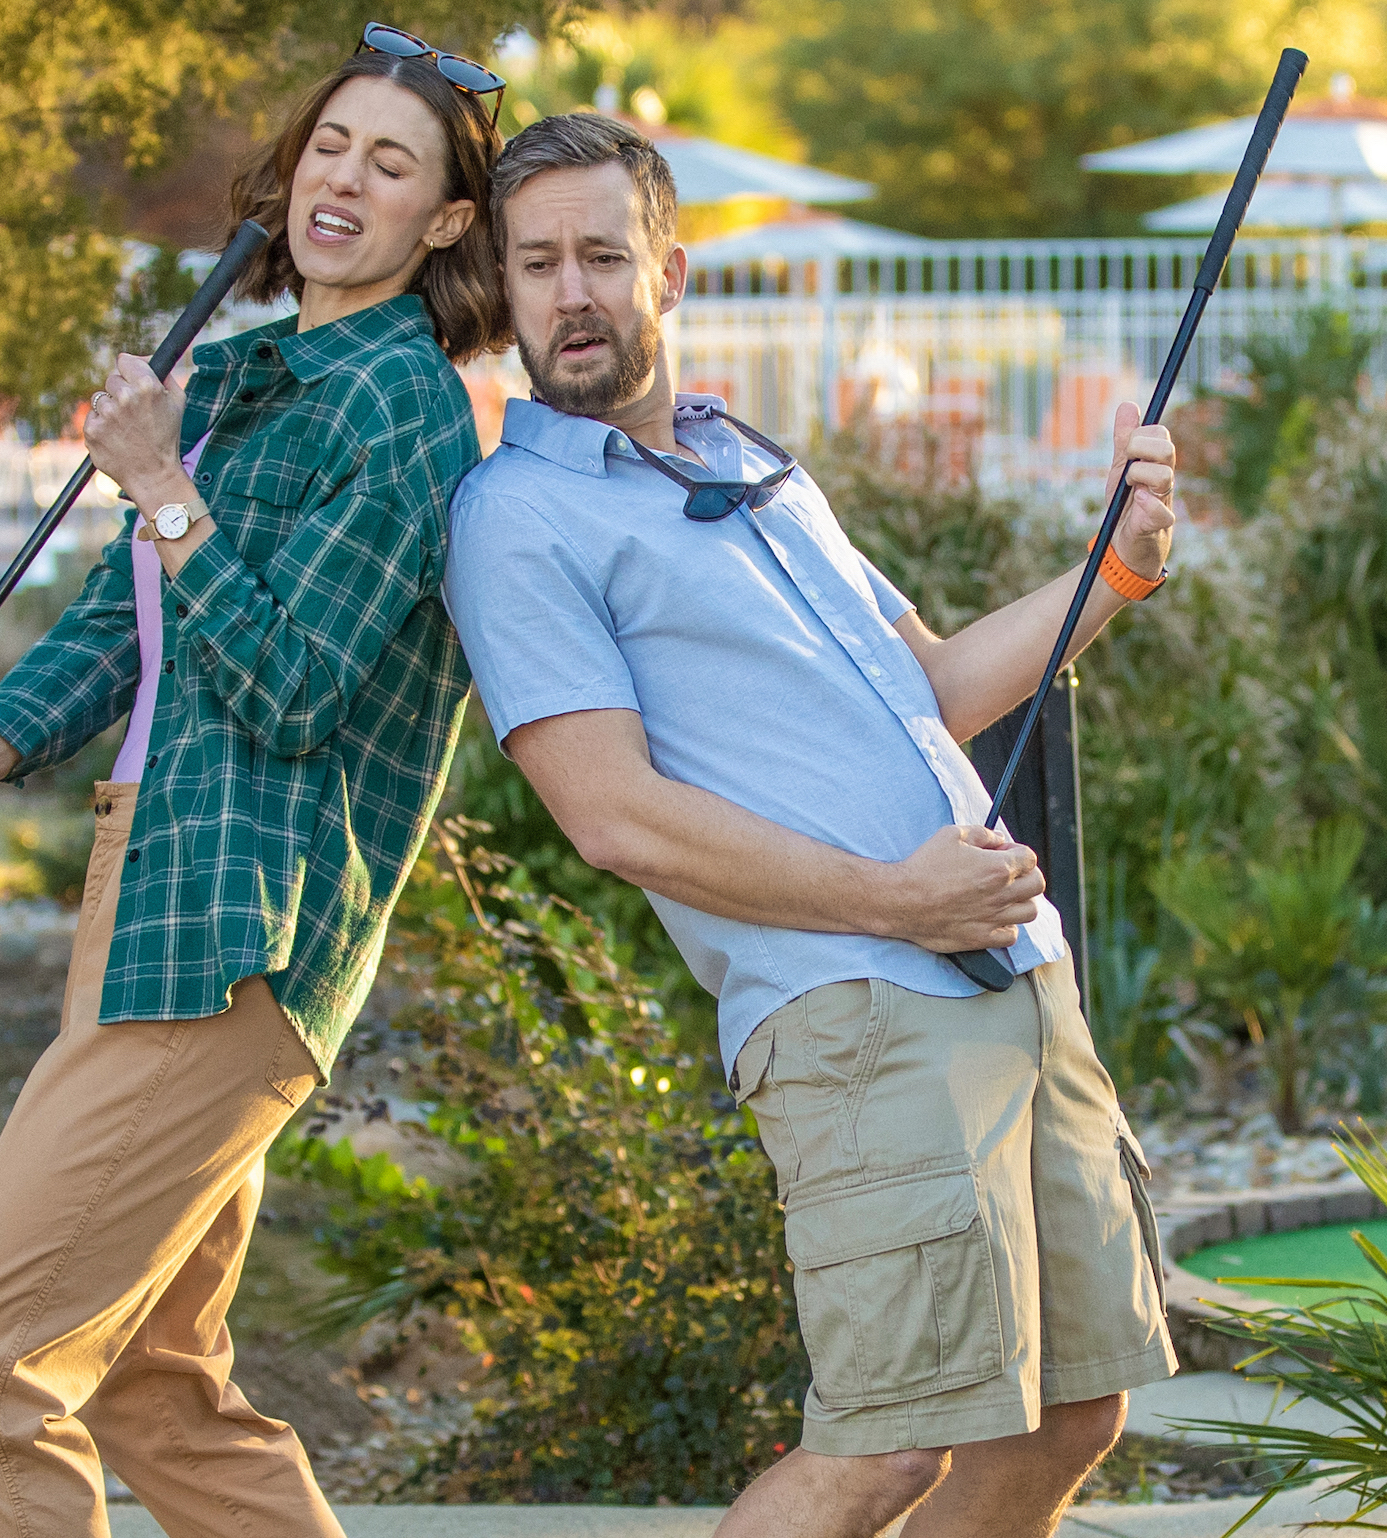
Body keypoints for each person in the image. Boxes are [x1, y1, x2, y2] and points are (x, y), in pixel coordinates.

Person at [440, 111, 1177, 1538]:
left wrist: (1122, 574)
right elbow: (613, 818)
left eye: (603, 254)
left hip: (1013, 977)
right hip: (852, 1008)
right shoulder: (516, 515)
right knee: (890, 1445)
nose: (571, 293)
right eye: (538, 266)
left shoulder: (752, 467)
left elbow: (939, 686)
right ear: (508, 291)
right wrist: (897, 904)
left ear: (673, 271)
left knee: (1070, 1414)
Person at [0, 25, 513, 1538]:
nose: (346, 177)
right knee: (152, 1380)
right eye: (333, 145)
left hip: (233, 936)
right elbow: (115, 627)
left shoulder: (399, 410)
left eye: (392, 163)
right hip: (149, 894)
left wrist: (162, 486)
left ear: (448, 223)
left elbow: (290, 695)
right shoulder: (255, 377)